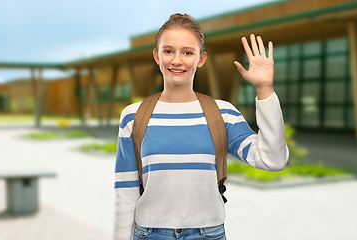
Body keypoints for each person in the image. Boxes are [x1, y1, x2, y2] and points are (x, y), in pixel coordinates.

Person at [113, 13, 289, 240]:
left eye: (188, 52)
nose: (177, 60)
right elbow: (125, 192)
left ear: (201, 58)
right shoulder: (133, 116)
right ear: (157, 56)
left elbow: (273, 160)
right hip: (149, 234)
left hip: (208, 234)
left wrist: (265, 89)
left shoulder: (222, 114)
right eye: (168, 51)